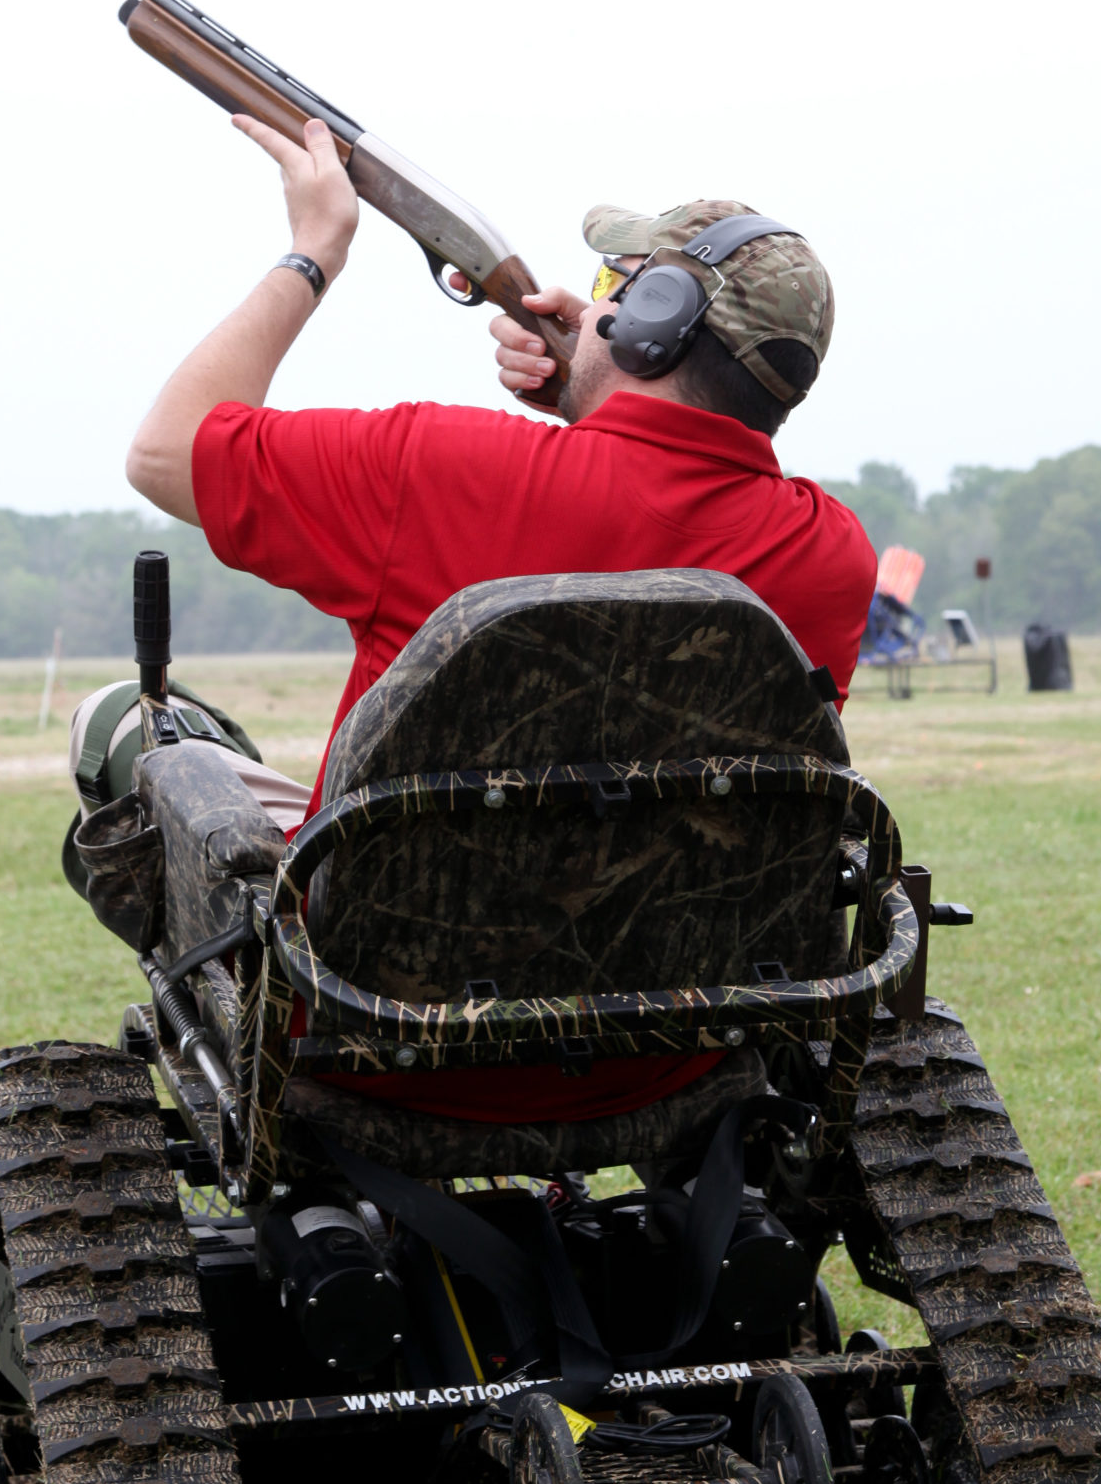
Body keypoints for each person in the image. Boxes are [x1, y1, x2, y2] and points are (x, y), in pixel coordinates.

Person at [108, 113, 877, 1135]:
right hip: (665, 1056)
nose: (589, 302)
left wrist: (313, 250)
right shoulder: (831, 555)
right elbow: (662, 512)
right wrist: (594, 400)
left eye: (614, 287)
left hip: (376, 1044)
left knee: (128, 726)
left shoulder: (435, 468)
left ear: (653, 319)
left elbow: (165, 451)